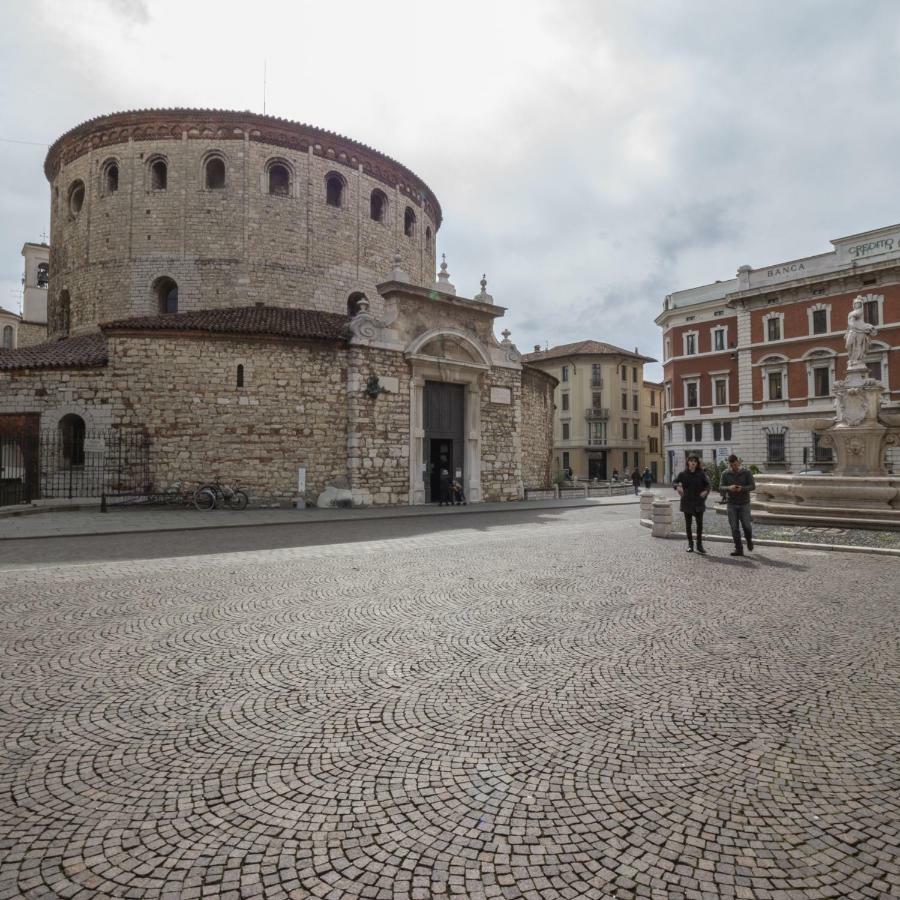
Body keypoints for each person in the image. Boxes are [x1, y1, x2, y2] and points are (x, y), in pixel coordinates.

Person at [672, 455, 709, 554]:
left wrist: (705, 491)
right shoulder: (683, 474)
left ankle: (699, 545)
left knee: (699, 525)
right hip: (687, 502)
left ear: (697, 464)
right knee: (688, 525)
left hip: (698, 502)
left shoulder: (701, 474)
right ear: (688, 462)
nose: (693, 463)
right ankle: (690, 544)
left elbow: (708, 485)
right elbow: (674, 482)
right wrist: (677, 487)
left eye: (695, 461)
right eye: (691, 461)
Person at [720, 454, 755, 556]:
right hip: (731, 504)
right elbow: (721, 487)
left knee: (747, 526)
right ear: (729, 464)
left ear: (738, 462)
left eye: (735, 465)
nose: (733, 467)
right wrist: (728, 488)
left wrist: (742, 488)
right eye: (731, 466)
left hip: (744, 503)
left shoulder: (747, 472)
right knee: (734, 527)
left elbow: (753, 486)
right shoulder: (725, 474)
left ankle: (749, 540)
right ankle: (738, 549)